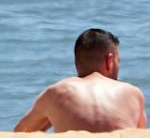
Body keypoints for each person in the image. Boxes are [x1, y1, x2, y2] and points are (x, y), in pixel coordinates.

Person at [14, 28, 146, 132]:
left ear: (77, 61)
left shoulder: (57, 92)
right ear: (109, 60)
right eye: (119, 61)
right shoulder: (132, 93)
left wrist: (51, 119)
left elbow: (21, 132)